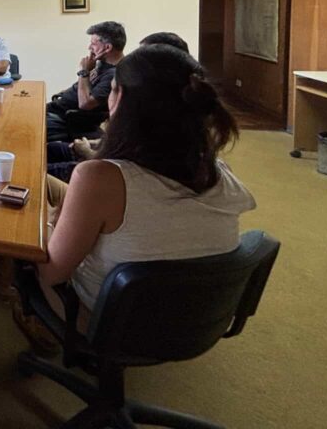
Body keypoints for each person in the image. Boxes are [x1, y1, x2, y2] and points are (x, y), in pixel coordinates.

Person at [36, 44, 256, 328]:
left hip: (110, 321)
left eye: (112, 89)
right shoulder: (216, 170)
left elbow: (51, 273)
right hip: (199, 317)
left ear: (121, 98)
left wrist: (44, 223)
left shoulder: (99, 178)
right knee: (39, 184)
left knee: (22, 227)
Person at [46, 31, 191, 181]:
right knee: (49, 150)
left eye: (143, 56)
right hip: (105, 154)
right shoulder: (141, 91)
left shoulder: (164, 111)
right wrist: (94, 144)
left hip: (116, 175)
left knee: (38, 174)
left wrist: (87, 152)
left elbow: (131, 168)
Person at [46, 21, 126, 141]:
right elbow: (81, 88)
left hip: (64, 119)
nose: (89, 48)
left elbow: (85, 104)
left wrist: (84, 72)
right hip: (56, 109)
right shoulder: (102, 65)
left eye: (93, 44)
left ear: (108, 47)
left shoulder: (113, 74)